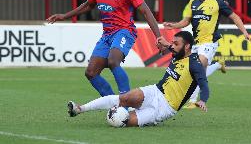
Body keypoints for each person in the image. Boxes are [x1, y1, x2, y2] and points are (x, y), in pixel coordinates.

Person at [47, 0, 163, 97]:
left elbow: (146, 11)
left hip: (125, 31)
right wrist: (65, 15)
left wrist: (158, 37)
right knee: (91, 73)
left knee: (113, 61)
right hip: (107, 34)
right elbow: (89, 5)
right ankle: (113, 104)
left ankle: (126, 102)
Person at [67, 31, 209, 127]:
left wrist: (203, 99)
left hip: (165, 108)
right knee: (123, 98)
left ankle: (122, 116)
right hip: (155, 91)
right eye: (173, 43)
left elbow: (204, 84)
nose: (173, 46)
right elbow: (168, 46)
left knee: (124, 121)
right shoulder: (178, 53)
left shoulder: (195, 65)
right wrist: (163, 42)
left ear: (187, 46)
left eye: (176, 44)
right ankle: (80, 108)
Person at [163, 0, 251, 109]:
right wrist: (174, 25)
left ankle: (193, 100)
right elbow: (185, 21)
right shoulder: (193, 1)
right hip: (195, 43)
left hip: (210, 42)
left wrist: (244, 32)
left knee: (199, 65)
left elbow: (234, 17)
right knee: (195, 70)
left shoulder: (218, 2)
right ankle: (217, 65)